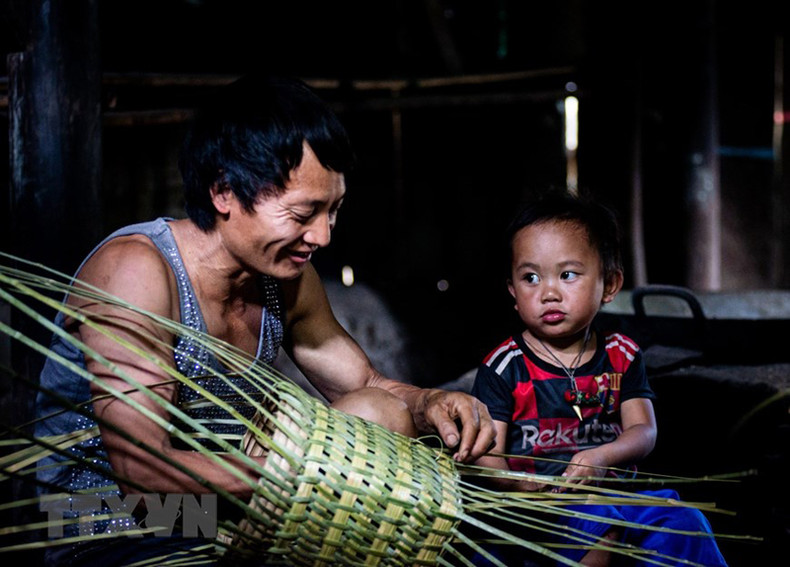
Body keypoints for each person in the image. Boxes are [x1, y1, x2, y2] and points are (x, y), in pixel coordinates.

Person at [33, 74, 495, 565]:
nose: (321, 236)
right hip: (107, 520)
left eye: (333, 211)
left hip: (222, 514)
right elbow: (142, 476)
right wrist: (308, 473)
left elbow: (367, 383)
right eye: (302, 214)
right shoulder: (137, 271)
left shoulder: (287, 279)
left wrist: (431, 403)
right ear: (225, 192)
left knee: (382, 415)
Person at [470, 191, 727, 566]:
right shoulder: (504, 365)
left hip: (618, 497)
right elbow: (488, 452)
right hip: (541, 510)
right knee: (594, 527)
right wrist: (519, 485)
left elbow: (644, 431)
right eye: (530, 278)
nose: (548, 293)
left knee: (685, 523)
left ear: (609, 284)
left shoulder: (621, 354)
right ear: (512, 291)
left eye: (568, 274)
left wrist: (602, 457)